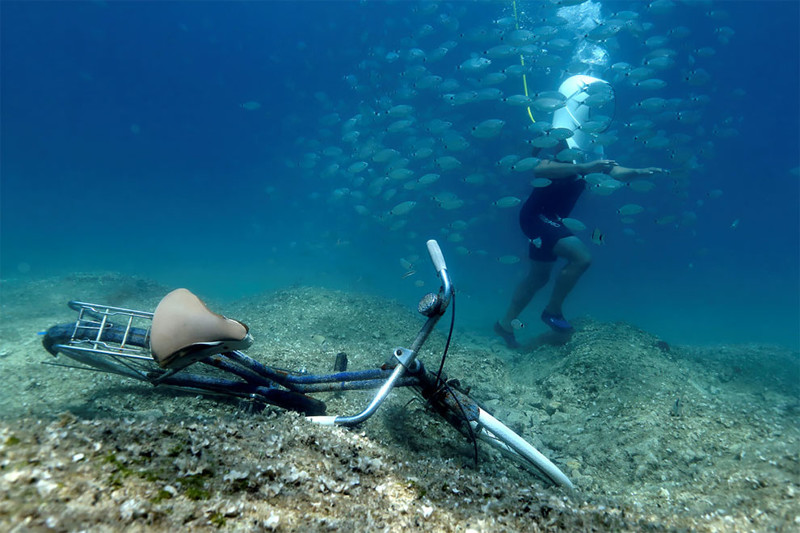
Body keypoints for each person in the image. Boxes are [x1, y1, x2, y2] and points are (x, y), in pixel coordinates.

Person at [494, 75, 667, 349]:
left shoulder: (588, 143)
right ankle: (552, 312)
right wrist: (584, 168)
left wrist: (636, 172)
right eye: (591, 104)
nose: (598, 109)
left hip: (552, 219)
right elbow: (540, 169)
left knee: (538, 277)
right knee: (581, 258)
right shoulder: (553, 138)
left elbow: (611, 168)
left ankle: (504, 325)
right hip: (537, 215)